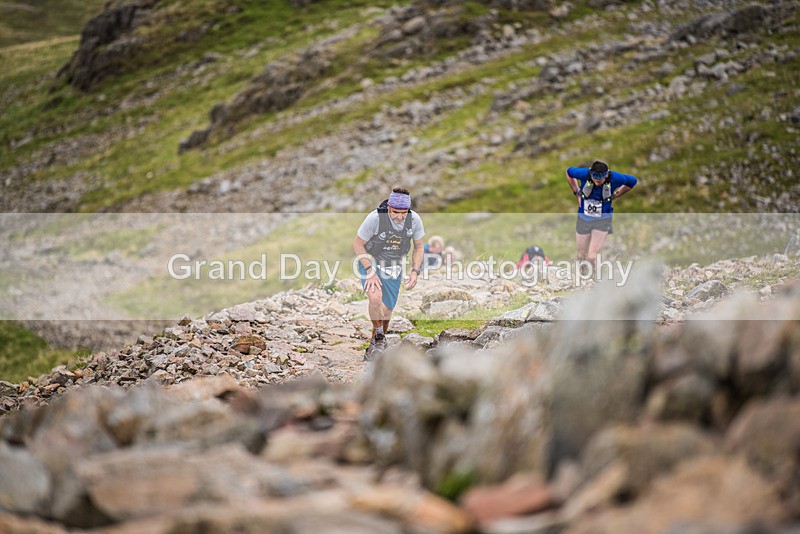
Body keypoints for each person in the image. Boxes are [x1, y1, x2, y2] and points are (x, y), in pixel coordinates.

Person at [353, 187, 425, 360]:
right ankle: (378, 337)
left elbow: (419, 247)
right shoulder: (375, 218)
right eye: (395, 212)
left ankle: (376, 341)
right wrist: (370, 271)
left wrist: (415, 271)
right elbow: (357, 244)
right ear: (389, 208)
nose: (400, 217)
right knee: (375, 299)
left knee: (386, 312)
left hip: (394, 267)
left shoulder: (414, 220)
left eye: (404, 212)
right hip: (371, 262)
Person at [566, 160, 637, 272]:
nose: (598, 183)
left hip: (602, 221)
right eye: (595, 179)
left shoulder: (615, 178)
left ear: (606, 175)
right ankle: (580, 278)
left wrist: (618, 193)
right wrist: (576, 192)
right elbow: (568, 172)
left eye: (601, 180)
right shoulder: (584, 174)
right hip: (583, 219)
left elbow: (632, 181)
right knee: (581, 255)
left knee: (592, 257)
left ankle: (592, 279)